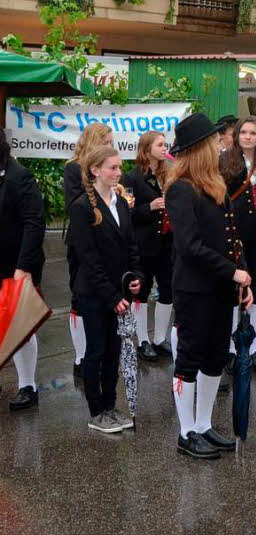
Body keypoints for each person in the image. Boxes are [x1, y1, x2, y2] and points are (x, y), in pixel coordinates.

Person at [165, 114, 253, 460]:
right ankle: (185, 431)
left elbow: (232, 240)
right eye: (215, 141)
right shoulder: (180, 189)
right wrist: (233, 272)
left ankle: (203, 424)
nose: (221, 145)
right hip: (194, 288)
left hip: (222, 287)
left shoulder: (216, 184)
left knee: (216, 357)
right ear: (199, 148)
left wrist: (243, 275)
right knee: (190, 358)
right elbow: (189, 246)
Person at [67, 145, 143, 433]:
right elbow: (88, 259)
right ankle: (96, 411)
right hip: (95, 294)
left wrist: (136, 277)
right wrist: (112, 297)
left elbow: (131, 246)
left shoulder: (120, 202)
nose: (118, 172)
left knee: (114, 351)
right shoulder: (81, 207)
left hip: (118, 293)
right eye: (112, 167)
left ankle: (111, 405)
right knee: (95, 352)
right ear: (95, 169)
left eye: (120, 167)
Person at [221, 117, 256, 375]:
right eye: (243, 132)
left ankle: (253, 348)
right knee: (234, 293)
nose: (247, 136)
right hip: (234, 235)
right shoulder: (225, 161)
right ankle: (233, 350)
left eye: (253, 132)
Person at [64, 123, 114, 379]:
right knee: (80, 295)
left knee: (103, 293)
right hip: (82, 240)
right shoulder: (74, 168)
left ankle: (97, 349)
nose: (110, 145)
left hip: (107, 240)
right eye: (107, 140)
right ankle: (80, 355)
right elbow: (74, 204)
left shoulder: (110, 168)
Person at [0, 131, 45, 411]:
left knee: (21, 328)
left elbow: (34, 222)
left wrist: (23, 267)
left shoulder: (19, 176)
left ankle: (28, 385)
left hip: (16, 266)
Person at [124, 131, 174, 361]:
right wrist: (149, 207)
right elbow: (126, 212)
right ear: (146, 149)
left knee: (168, 290)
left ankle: (160, 338)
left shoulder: (169, 174)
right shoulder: (132, 178)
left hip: (167, 242)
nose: (165, 149)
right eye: (160, 145)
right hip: (144, 244)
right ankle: (142, 339)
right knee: (142, 292)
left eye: (166, 145)